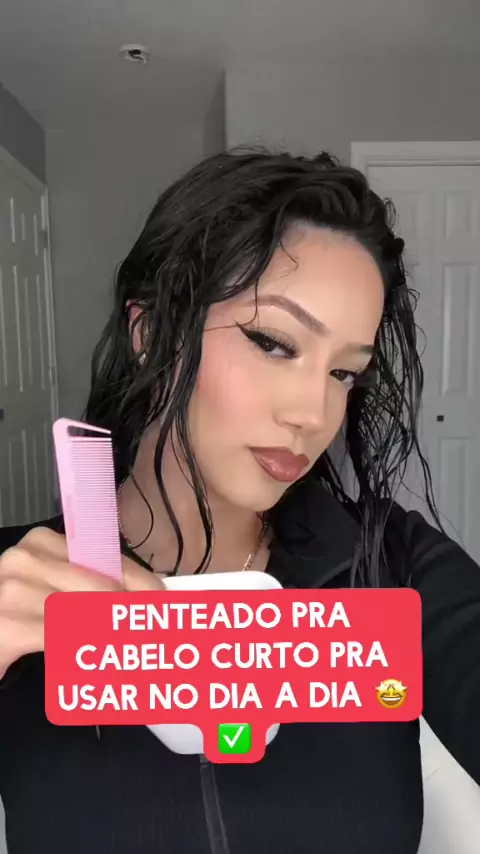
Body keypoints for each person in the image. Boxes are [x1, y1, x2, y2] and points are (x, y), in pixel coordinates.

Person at [0, 149, 479, 854]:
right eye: (274, 343)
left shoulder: (391, 564)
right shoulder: (15, 586)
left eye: (345, 373)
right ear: (151, 333)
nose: (314, 414)